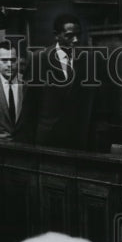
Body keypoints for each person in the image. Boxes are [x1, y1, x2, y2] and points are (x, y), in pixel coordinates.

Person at [32, 13, 107, 150]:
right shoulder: (39, 58)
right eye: (69, 35)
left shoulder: (90, 59)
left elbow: (97, 99)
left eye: (78, 35)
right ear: (56, 35)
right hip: (49, 138)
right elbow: (30, 103)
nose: (76, 40)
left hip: (79, 138)